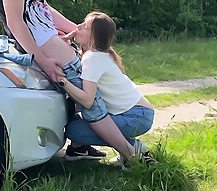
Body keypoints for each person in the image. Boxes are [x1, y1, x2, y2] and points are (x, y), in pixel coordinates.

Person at [0, 0, 136, 162]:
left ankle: (80, 147)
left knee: (84, 101)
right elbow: (15, 22)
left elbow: (42, 8)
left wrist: (74, 29)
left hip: (52, 44)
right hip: (44, 50)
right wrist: (42, 61)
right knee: (93, 104)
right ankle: (131, 154)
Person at [59, 12, 157, 168]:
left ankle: (134, 149)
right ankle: (128, 150)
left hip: (135, 116)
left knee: (74, 130)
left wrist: (63, 82)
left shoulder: (92, 58)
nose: (77, 27)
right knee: (79, 121)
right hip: (140, 113)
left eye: (85, 27)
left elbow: (87, 100)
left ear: (95, 38)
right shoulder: (97, 55)